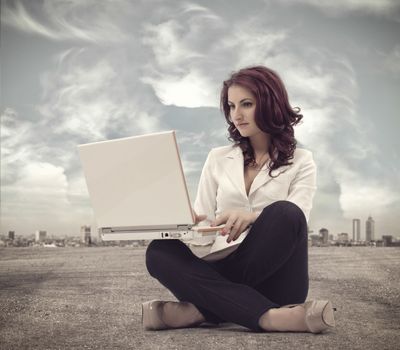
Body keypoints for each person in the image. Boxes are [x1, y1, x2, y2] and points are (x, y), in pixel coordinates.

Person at [142, 66, 336, 333]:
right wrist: (188, 223)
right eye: (231, 106)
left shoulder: (302, 161)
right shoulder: (218, 157)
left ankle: (198, 310)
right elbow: (204, 234)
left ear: (270, 103)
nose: (237, 115)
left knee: (285, 213)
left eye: (246, 104)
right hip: (225, 263)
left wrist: (253, 217)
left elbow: (298, 217)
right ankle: (269, 318)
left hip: (278, 279)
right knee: (158, 252)